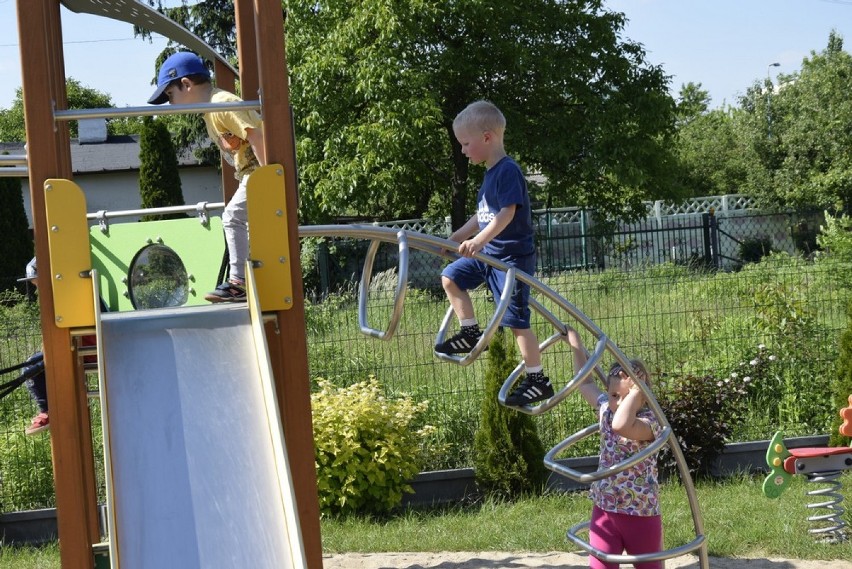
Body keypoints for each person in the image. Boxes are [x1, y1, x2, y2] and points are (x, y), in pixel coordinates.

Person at [434, 100, 553, 407]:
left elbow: (507, 214)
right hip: (489, 257)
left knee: (516, 320)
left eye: (465, 143)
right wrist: (458, 237)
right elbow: (483, 215)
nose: (462, 150)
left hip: (511, 260)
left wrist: (478, 242)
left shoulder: (507, 171)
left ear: (486, 138)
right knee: (450, 276)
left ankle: (538, 378)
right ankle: (471, 331)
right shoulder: (488, 175)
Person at [148, 51, 266, 302]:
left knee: (232, 217)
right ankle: (249, 276)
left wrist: (271, 180)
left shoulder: (221, 104)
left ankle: (238, 282)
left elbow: (256, 135)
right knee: (242, 221)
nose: (170, 104)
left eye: (170, 95)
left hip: (261, 174)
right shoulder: (209, 112)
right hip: (252, 174)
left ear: (187, 85)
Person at [565, 327, 664, 569]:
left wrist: (638, 391)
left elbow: (622, 425)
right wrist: (575, 344)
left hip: (640, 514)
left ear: (642, 397)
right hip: (605, 509)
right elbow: (585, 381)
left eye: (625, 396)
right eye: (612, 395)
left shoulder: (651, 424)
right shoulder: (606, 411)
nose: (616, 403)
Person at [17, 257, 98, 435]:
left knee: (32, 367)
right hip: (81, 345)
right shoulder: (71, 291)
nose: (38, 290)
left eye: (38, 284)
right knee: (36, 364)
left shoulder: (64, 297)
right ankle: (52, 407)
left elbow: (61, 329)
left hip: (82, 347)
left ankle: (48, 410)